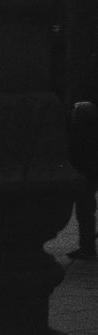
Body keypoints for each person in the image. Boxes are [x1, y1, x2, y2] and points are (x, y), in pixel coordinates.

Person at [70, 101, 98, 260]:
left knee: (85, 212)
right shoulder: (89, 133)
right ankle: (86, 246)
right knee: (85, 212)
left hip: (86, 177)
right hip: (88, 177)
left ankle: (87, 247)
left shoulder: (84, 135)